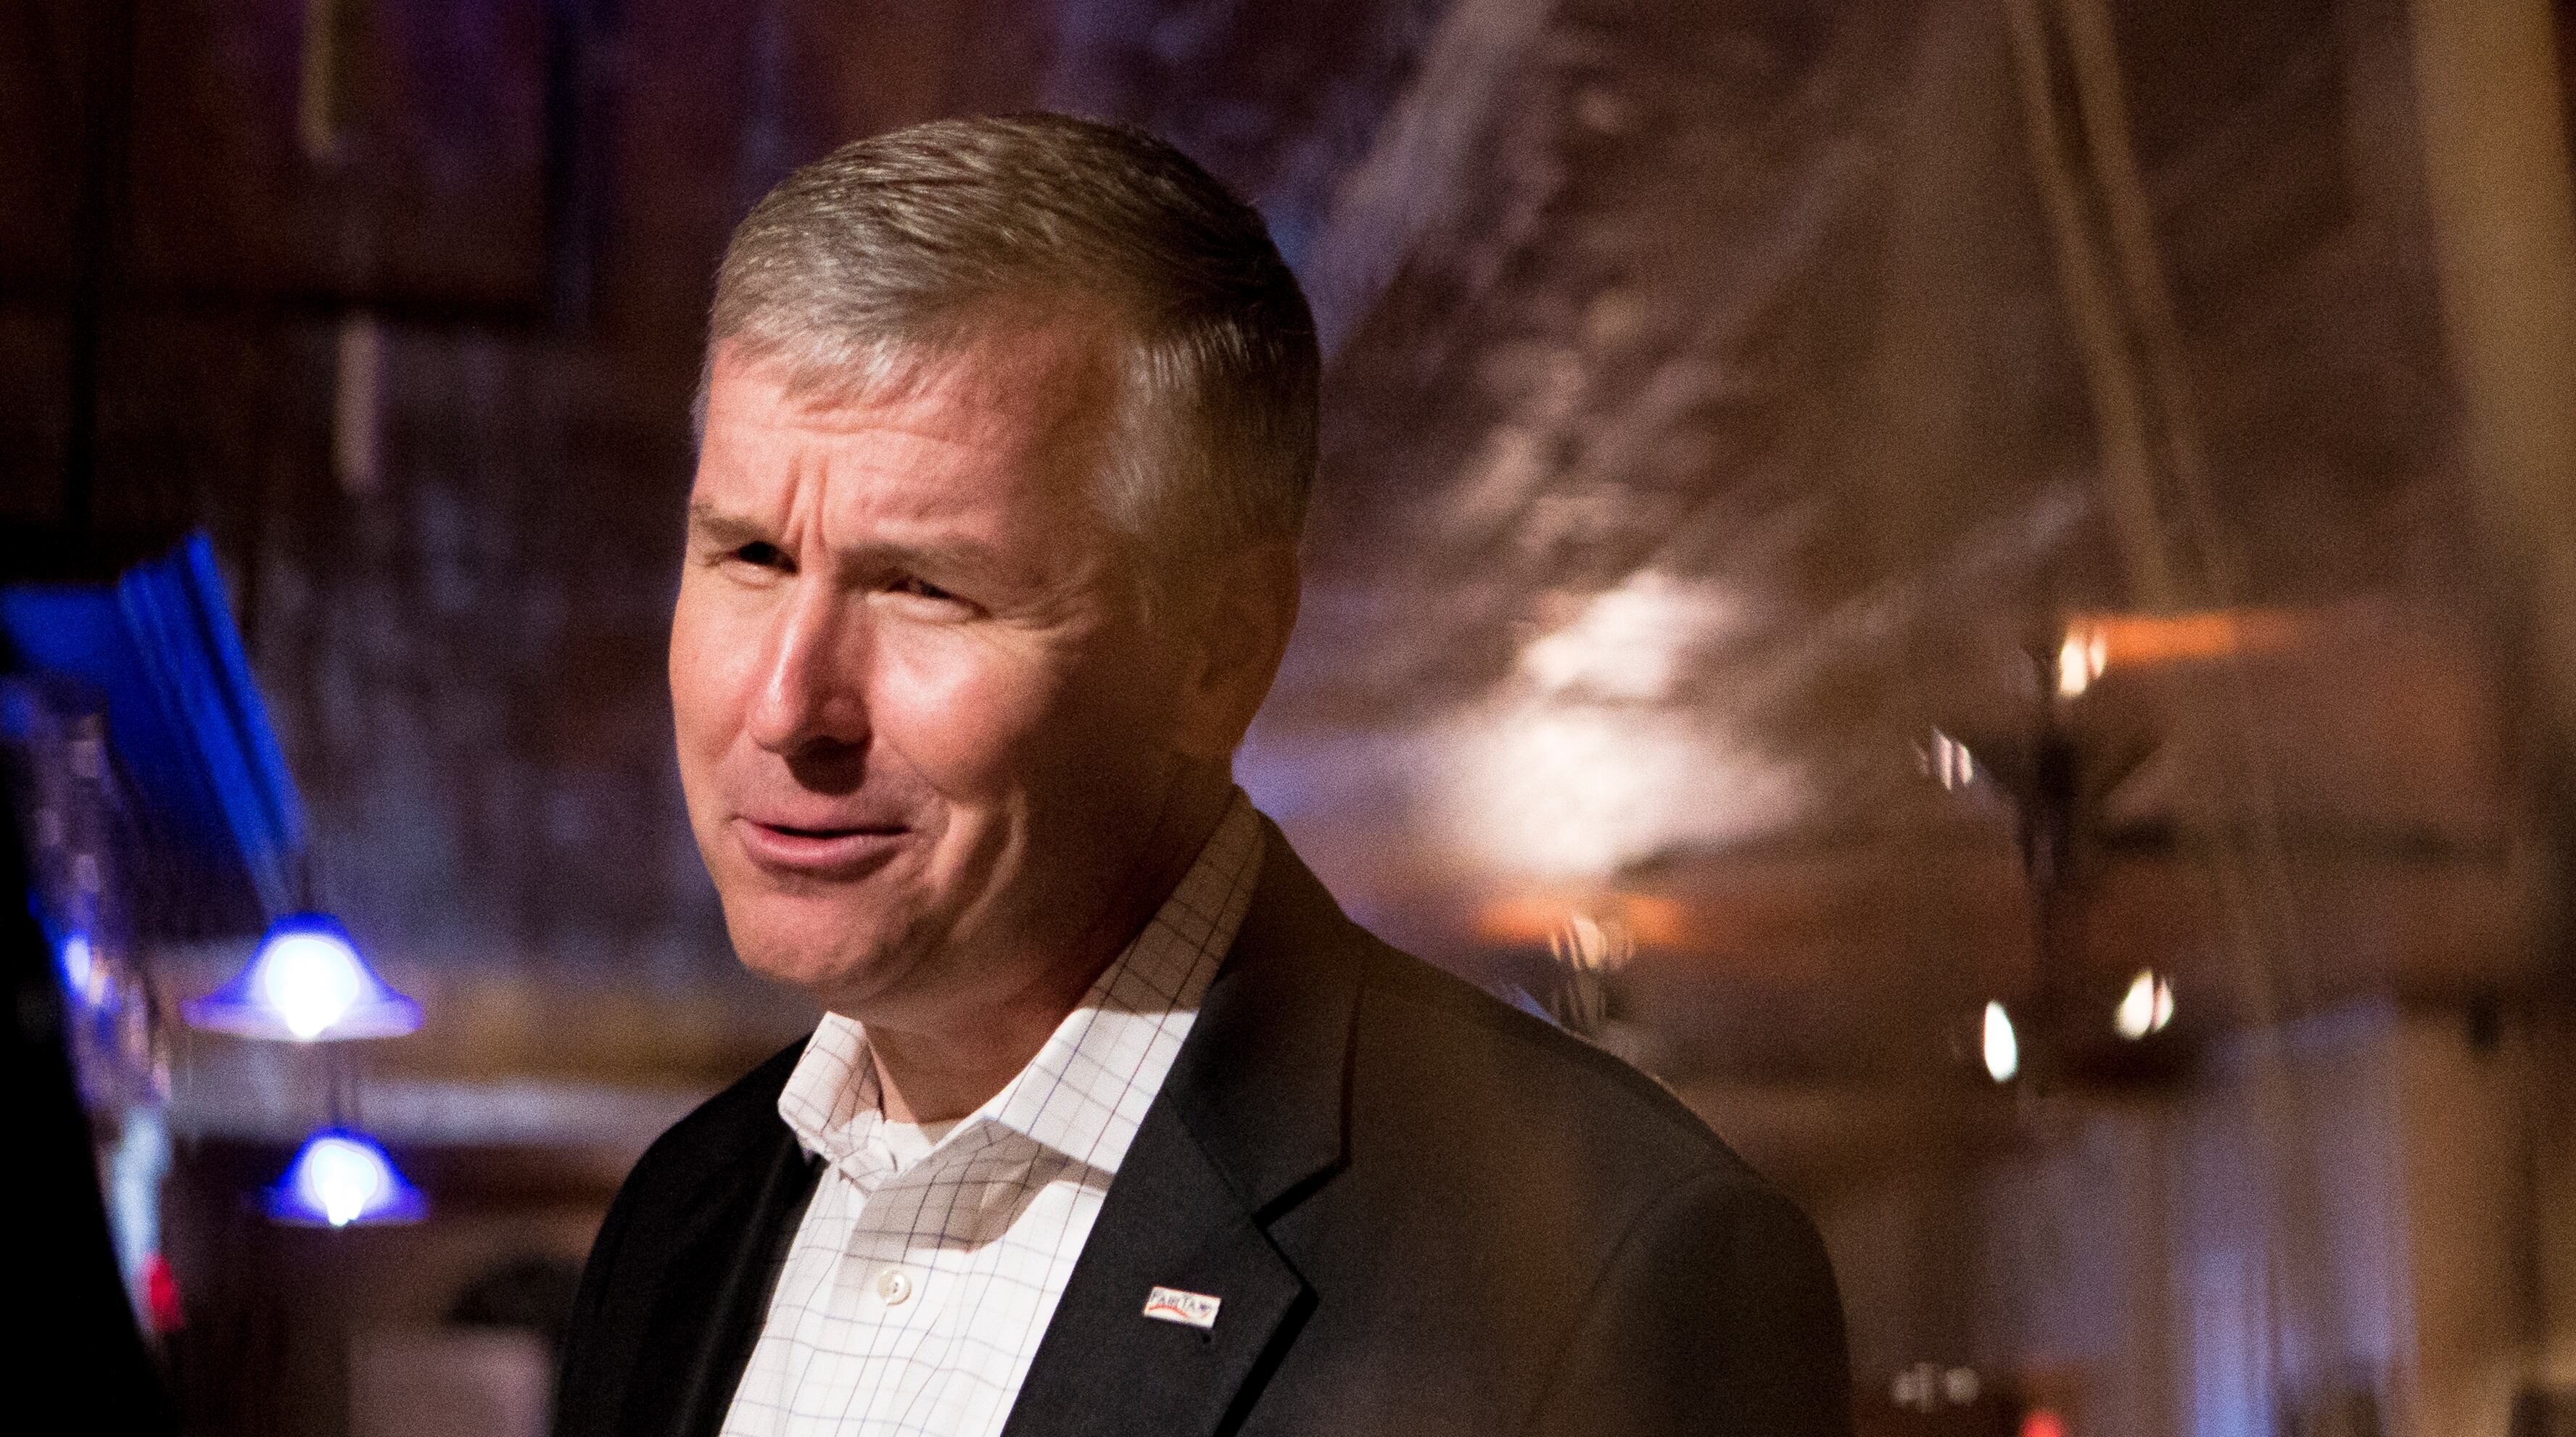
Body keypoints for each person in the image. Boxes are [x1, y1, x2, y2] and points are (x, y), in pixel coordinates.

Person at [553, 114, 1850, 1437]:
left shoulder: (1607, 1268)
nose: (786, 707)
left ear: (1219, 650)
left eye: (924, 588)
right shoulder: (682, 1223)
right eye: (751, 558)